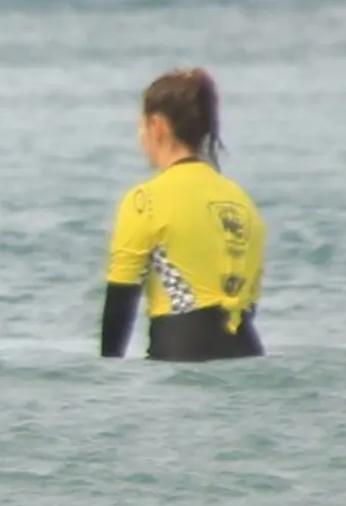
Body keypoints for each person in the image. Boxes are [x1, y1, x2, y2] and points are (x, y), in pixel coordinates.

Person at [102, 67, 266, 361]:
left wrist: (104, 379)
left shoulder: (145, 201)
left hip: (180, 357)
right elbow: (248, 302)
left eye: (141, 126)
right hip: (247, 355)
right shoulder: (241, 202)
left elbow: (120, 303)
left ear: (156, 125)